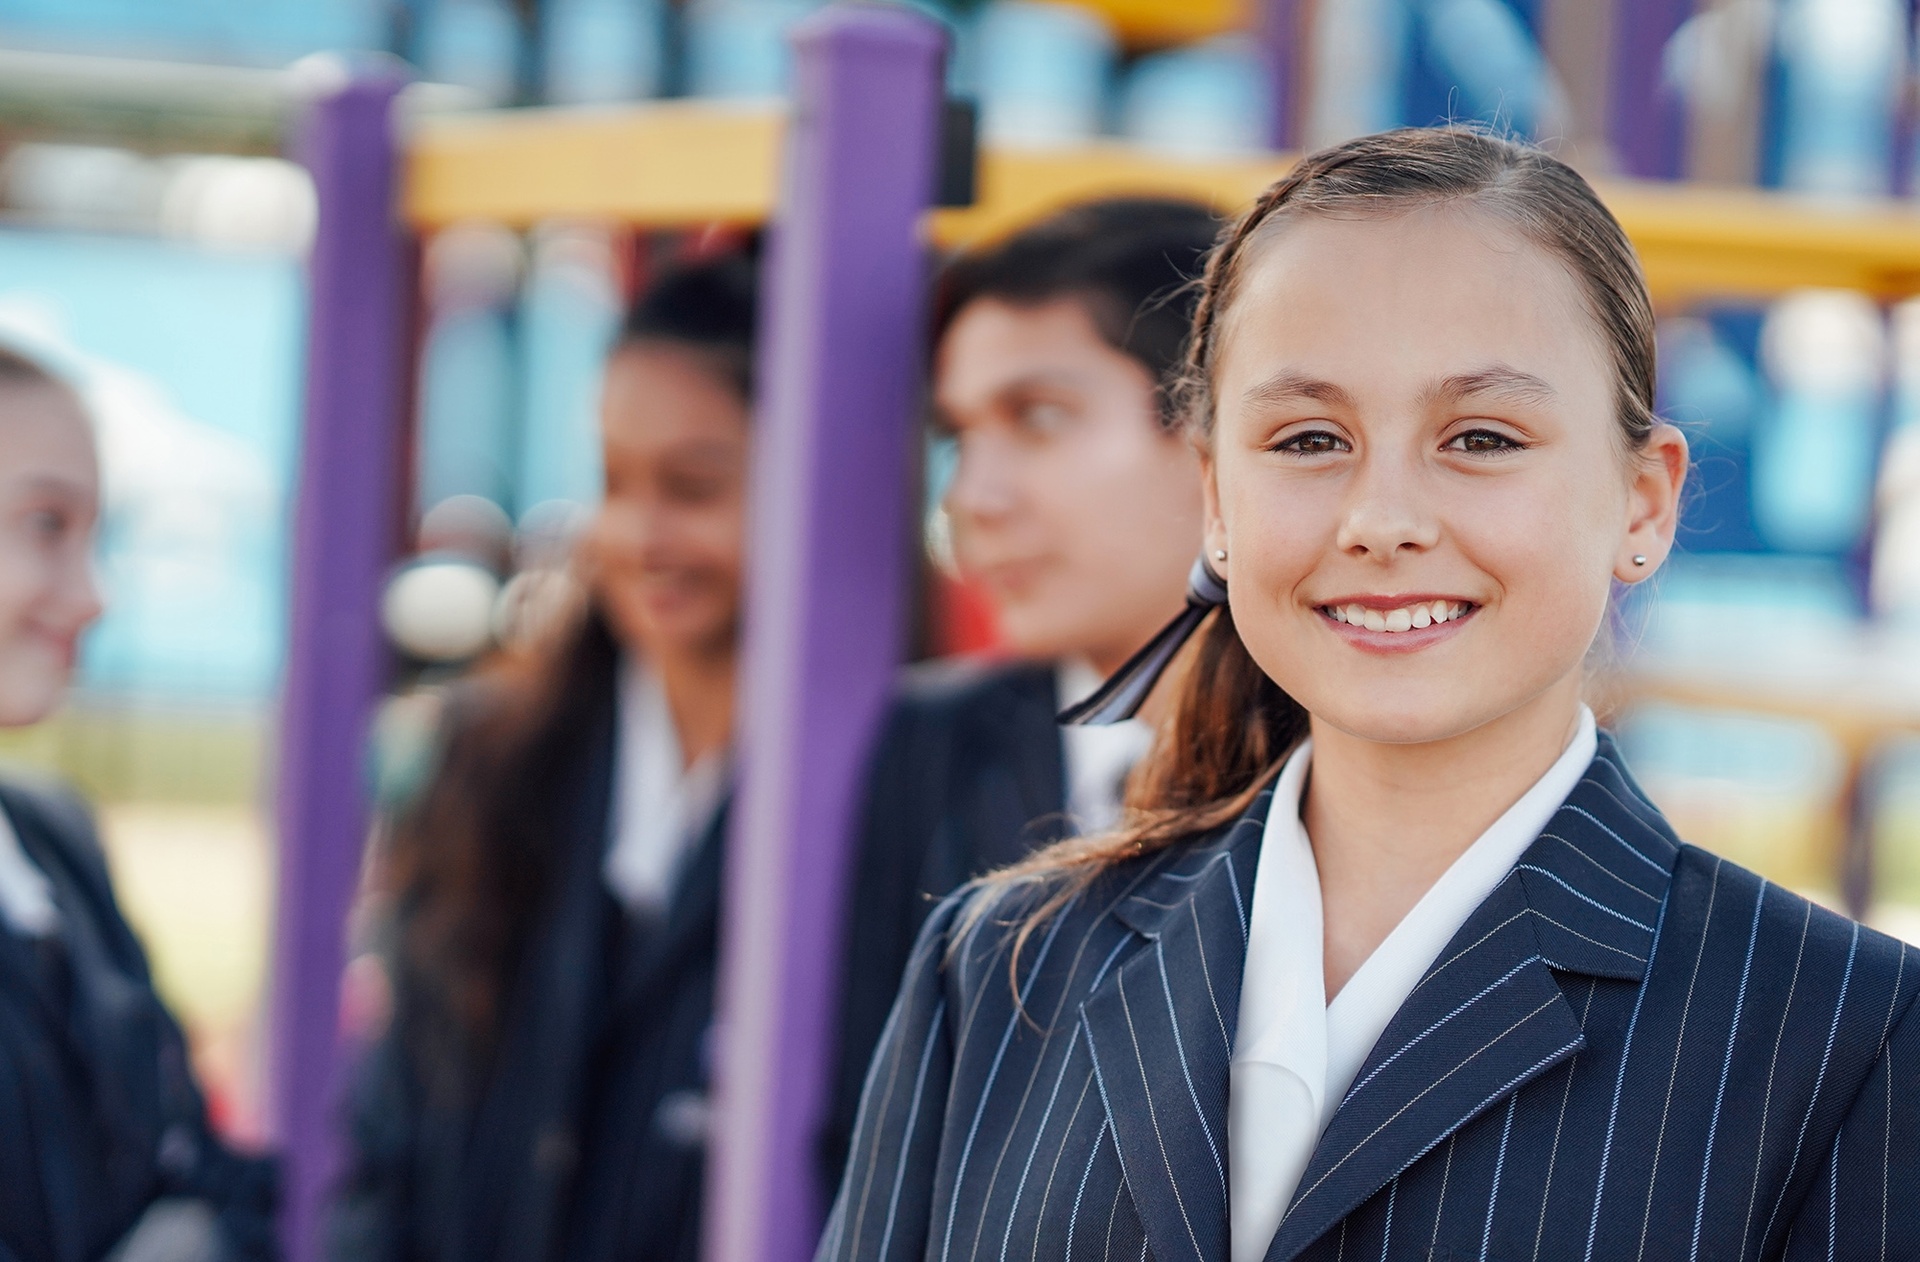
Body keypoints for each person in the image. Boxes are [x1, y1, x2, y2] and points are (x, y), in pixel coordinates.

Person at [820, 129, 1918, 1262]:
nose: (1381, 517)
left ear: (1643, 501)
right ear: (1217, 504)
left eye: (1481, 436)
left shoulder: (1844, 1033)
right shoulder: (1002, 963)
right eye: (1308, 439)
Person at [328, 250, 756, 1262]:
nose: (639, 532)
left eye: (693, 485)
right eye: (614, 480)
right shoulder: (487, 758)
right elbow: (388, 1145)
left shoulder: (898, 785)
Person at [823, 199, 1218, 1184]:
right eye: (960, 435)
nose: (972, 497)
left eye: (1038, 419)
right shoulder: (927, 742)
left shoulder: (1354, 757)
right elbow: (864, 1143)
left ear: (1216, 431)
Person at [0, 346, 277, 1262]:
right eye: (46, 525)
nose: (91, 598)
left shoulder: (54, 847)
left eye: (96, 536)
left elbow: (215, 1179)